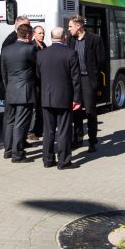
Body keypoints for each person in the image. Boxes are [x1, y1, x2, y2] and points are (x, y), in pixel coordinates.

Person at [36, 26, 82, 169]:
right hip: (63, 98)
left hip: (46, 98)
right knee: (63, 130)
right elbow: (76, 79)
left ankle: (48, 160)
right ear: (64, 38)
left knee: (48, 131)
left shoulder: (41, 54)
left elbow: (38, 76)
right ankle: (63, 161)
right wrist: (77, 99)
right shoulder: (71, 53)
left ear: (51, 37)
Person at [67, 15, 107, 152]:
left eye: (70, 26)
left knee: (90, 111)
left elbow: (101, 60)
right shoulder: (70, 40)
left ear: (78, 26)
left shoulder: (94, 39)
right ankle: (77, 139)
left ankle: (92, 141)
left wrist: (95, 75)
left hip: (88, 80)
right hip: (74, 80)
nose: (69, 29)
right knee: (76, 110)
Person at [0, 24, 37, 163]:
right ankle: (17, 154)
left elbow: (3, 72)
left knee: (9, 122)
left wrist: (8, 86)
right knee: (21, 123)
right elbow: (36, 68)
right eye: (32, 35)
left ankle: (8, 151)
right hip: (25, 91)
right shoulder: (30, 49)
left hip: (10, 89)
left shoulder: (6, 49)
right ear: (27, 35)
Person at [28, 25, 47, 141]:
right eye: (39, 33)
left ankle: (39, 130)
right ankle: (30, 132)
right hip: (34, 82)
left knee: (41, 107)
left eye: (43, 33)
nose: (42, 35)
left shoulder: (44, 46)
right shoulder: (31, 46)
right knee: (34, 108)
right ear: (34, 34)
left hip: (42, 82)